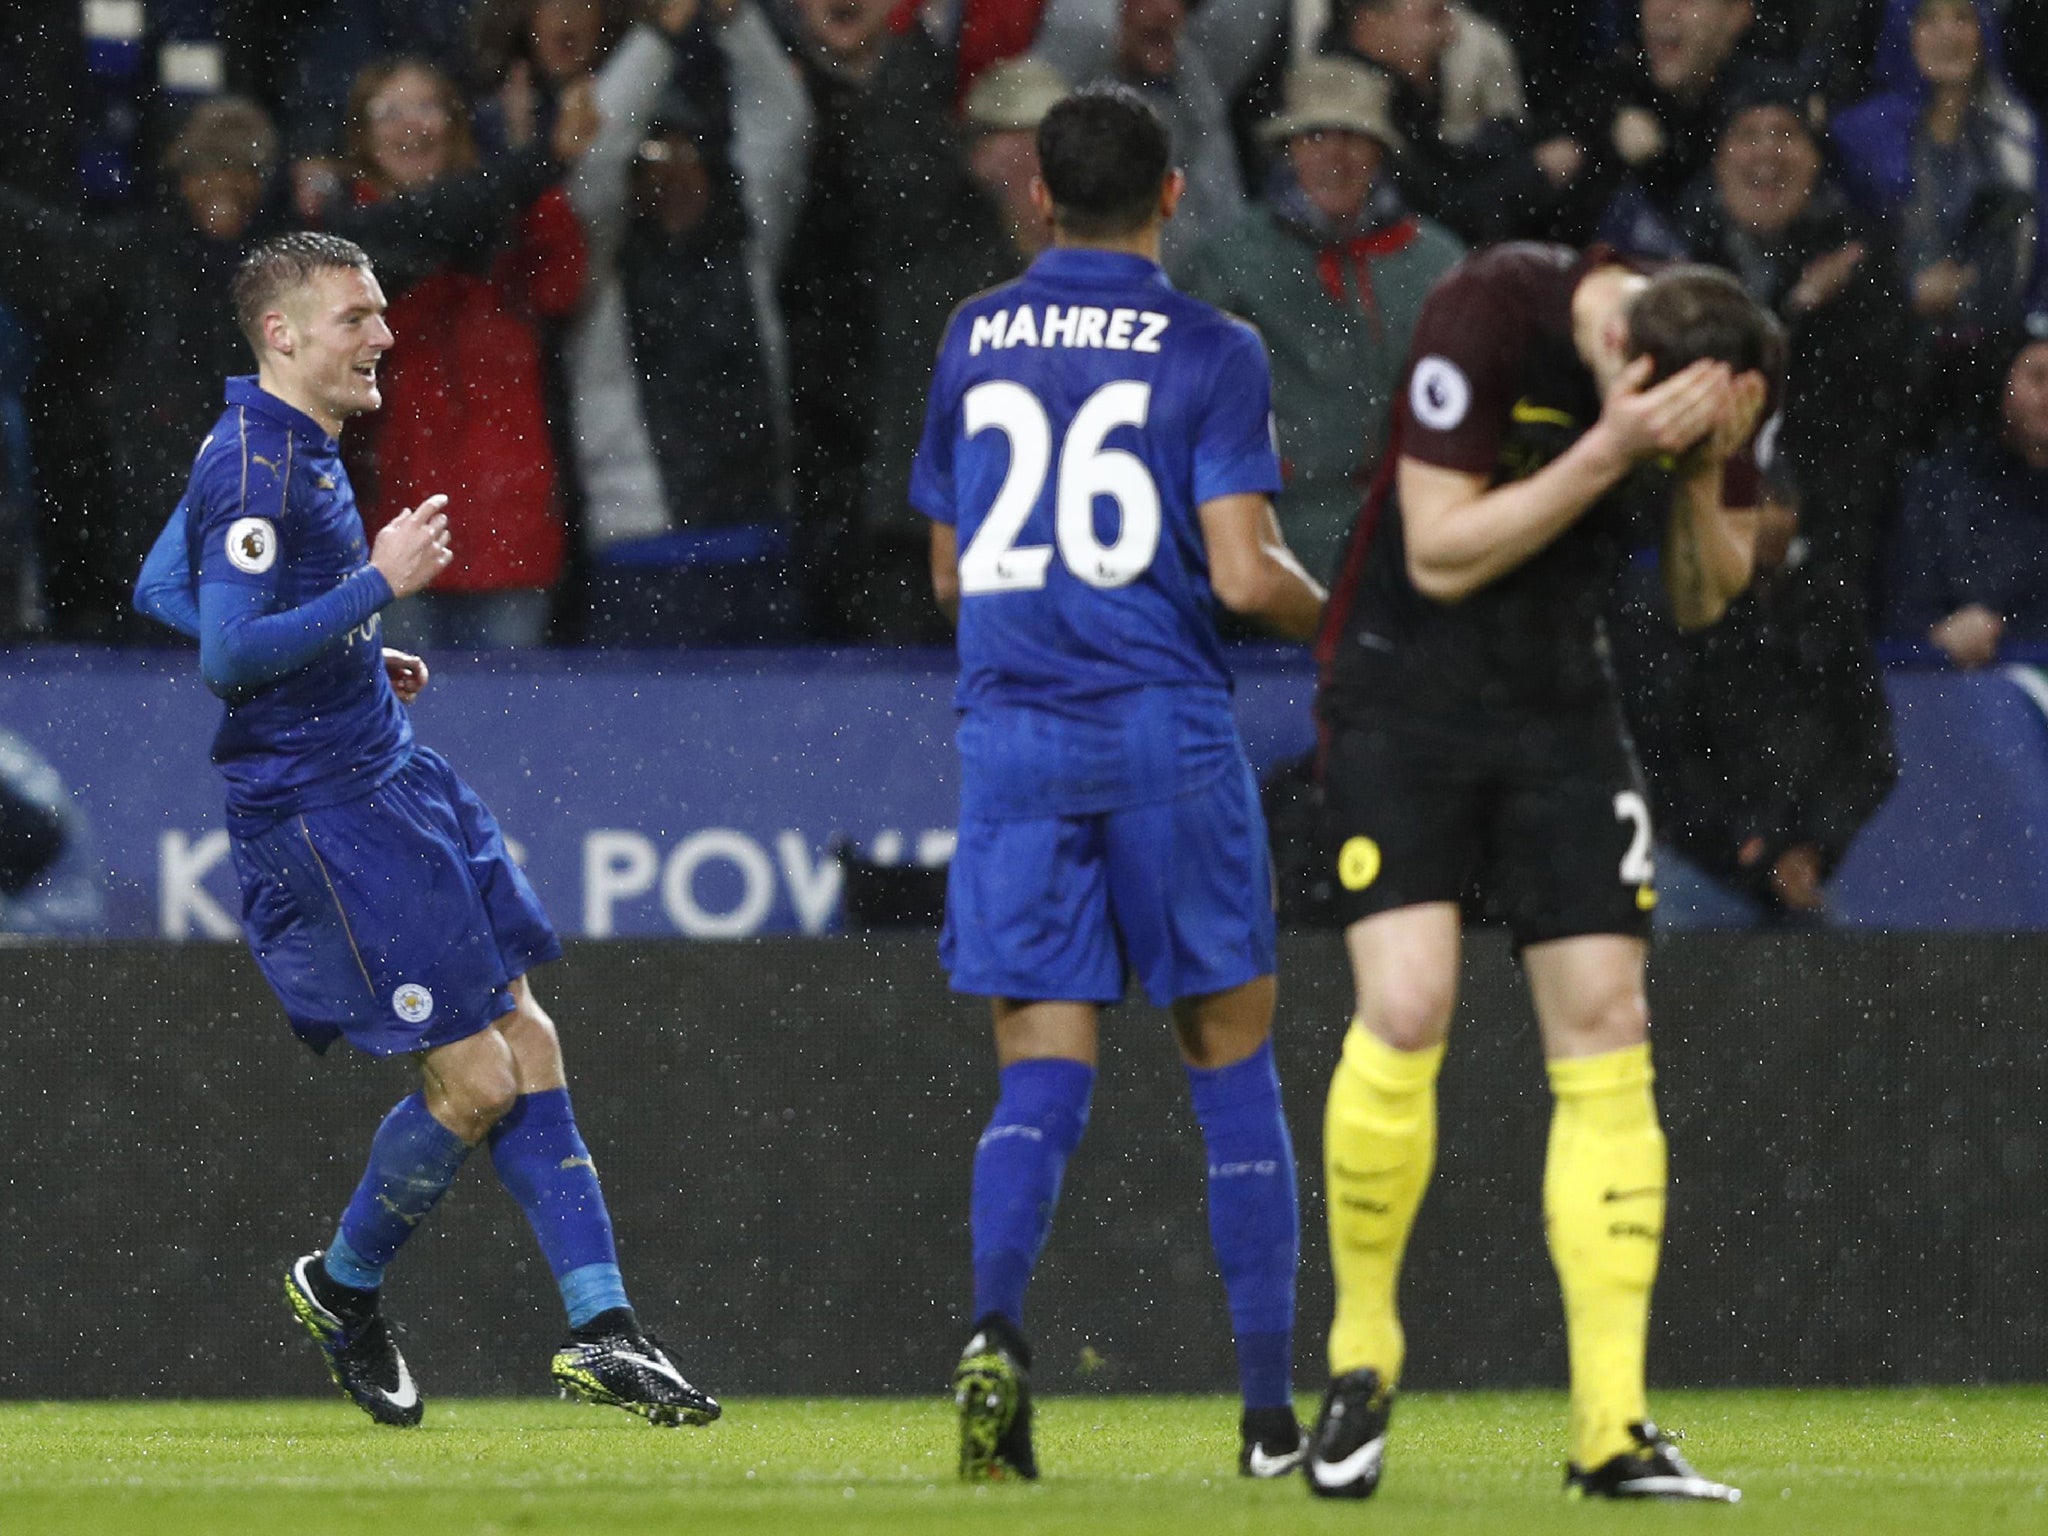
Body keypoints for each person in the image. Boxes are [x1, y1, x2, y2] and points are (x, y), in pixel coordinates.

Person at [128, 231, 719, 1430]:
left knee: (527, 1036)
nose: (383, 336)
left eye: (381, 314)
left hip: (390, 777)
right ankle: (340, 1290)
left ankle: (605, 1332)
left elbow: (159, 584)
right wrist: (372, 591)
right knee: (479, 1075)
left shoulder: (281, 440)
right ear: (283, 334)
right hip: (323, 813)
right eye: (355, 318)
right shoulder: (257, 466)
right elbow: (224, 653)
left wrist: (348, 645)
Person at [1304, 249, 1780, 1501]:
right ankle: (1359, 1363)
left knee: (1610, 1020)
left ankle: (1610, 1430)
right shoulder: (1490, 311)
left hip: (1560, 710)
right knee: (1406, 1006)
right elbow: (1442, 547)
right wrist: (1612, 445)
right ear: (1623, 355)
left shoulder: (1706, 365)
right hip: (1402, 692)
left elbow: (1698, 597)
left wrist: (1686, 475)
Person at [910, 85, 1327, 1482]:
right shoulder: (1213, 347)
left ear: (1037, 196)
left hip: (1015, 739)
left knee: (1038, 1075)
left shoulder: (976, 337)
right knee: (1231, 1062)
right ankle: (1269, 1419)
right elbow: (1243, 572)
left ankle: (994, 1334)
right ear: (1171, 194)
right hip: (1162, 734)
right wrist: (1354, 624)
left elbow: (955, 570)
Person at [1180, 57, 1463, 582]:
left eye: (1353, 137)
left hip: (1404, 537)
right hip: (1271, 538)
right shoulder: (1226, 263)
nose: (1334, 154)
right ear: (1288, 149)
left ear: (1380, 152)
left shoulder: (1437, 265)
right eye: (1314, 137)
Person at [1885, 319, 2048, 663]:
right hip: (1955, 691)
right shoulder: (1940, 487)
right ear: (2002, 385)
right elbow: (1904, 608)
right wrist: (1937, 642)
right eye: (2039, 378)